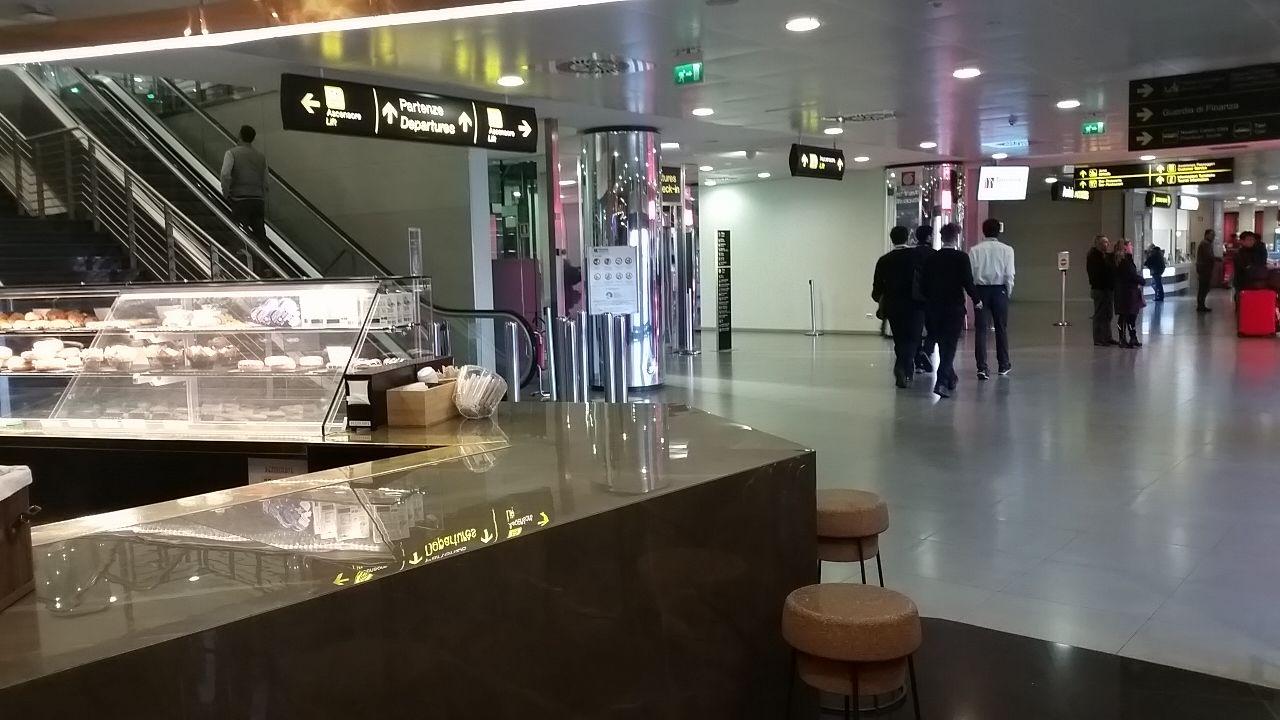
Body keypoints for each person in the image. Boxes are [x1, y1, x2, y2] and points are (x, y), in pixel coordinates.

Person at [921, 223, 980, 398]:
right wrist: (977, 300)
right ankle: (941, 381)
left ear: (942, 238)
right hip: (954, 306)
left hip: (934, 307)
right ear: (956, 238)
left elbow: (923, 284)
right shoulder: (961, 257)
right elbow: (967, 281)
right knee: (950, 345)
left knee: (942, 343)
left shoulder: (931, 258)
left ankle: (950, 378)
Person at [872, 226, 924, 389]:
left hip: (893, 305)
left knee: (899, 339)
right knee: (913, 338)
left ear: (892, 239)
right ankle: (901, 367)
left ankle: (906, 369)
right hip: (914, 304)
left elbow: (876, 288)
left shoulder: (884, 260)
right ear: (907, 237)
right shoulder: (916, 256)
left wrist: (881, 299)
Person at [968, 218, 1015, 380]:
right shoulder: (1007, 250)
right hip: (999, 290)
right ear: (998, 231)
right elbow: (1009, 274)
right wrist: (1007, 292)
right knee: (1001, 327)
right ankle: (1003, 364)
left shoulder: (975, 250)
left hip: (981, 291)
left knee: (981, 329)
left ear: (983, 231)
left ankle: (982, 367)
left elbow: (971, 274)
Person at [220, 125, 268, 272]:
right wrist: (261, 196)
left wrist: (226, 193)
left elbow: (225, 174)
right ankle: (266, 266)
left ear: (240, 136)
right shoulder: (260, 157)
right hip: (258, 200)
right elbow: (265, 182)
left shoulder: (231, 153)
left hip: (240, 199)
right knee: (260, 234)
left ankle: (238, 266)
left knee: (239, 233)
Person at [913, 225, 937, 374]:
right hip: (931, 297)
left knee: (916, 329)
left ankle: (918, 362)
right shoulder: (934, 254)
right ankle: (926, 352)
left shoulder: (911, 254)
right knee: (933, 329)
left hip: (914, 297)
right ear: (928, 237)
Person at [1113, 239, 1145, 348]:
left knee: (1131, 316)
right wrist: (1141, 280)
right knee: (1124, 315)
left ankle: (1133, 337)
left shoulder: (1127, 260)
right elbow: (1130, 275)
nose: (1132, 247)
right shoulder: (1123, 261)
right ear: (1125, 247)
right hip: (1125, 292)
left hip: (1129, 291)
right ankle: (1122, 339)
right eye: (1130, 245)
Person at [1086, 235, 1116, 346]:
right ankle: (1098, 339)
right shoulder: (1094, 257)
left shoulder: (1106, 256)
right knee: (1099, 314)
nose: (1106, 244)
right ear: (1098, 244)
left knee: (1108, 314)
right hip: (1099, 289)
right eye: (1104, 242)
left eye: (1107, 242)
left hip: (1108, 289)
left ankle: (1107, 337)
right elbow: (1098, 273)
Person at [1195, 229, 1216, 312]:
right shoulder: (1205, 244)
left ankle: (1201, 305)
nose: (1213, 237)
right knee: (1203, 288)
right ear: (1206, 235)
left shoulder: (1206, 243)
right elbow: (1209, 256)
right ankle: (1201, 305)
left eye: (1214, 235)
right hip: (1204, 269)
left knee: (1204, 288)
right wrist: (1217, 259)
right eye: (1211, 235)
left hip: (1204, 269)